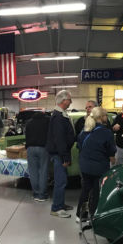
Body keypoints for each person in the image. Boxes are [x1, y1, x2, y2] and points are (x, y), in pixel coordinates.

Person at [76, 107, 116, 220]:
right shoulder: (106, 132)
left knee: (85, 190)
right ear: (101, 117)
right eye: (105, 115)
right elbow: (111, 149)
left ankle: (80, 215)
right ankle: (94, 215)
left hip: (84, 166)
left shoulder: (84, 131)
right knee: (97, 191)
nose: (106, 118)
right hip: (99, 167)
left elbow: (79, 145)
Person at [46, 90, 75, 218]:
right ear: (64, 101)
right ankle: (56, 208)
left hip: (60, 153)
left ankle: (61, 204)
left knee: (62, 180)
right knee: (60, 182)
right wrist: (65, 156)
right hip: (59, 154)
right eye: (69, 100)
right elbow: (60, 139)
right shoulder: (58, 116)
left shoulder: (61, 114)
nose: (71, 102)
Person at [25, 111, 50, 202]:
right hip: (43, 148)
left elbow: (26, 135)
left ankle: (35, 194)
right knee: (43, 171)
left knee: (33, 172)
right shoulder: (47, 121)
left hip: (30, 148)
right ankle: (42, 195)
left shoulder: (29, 122)